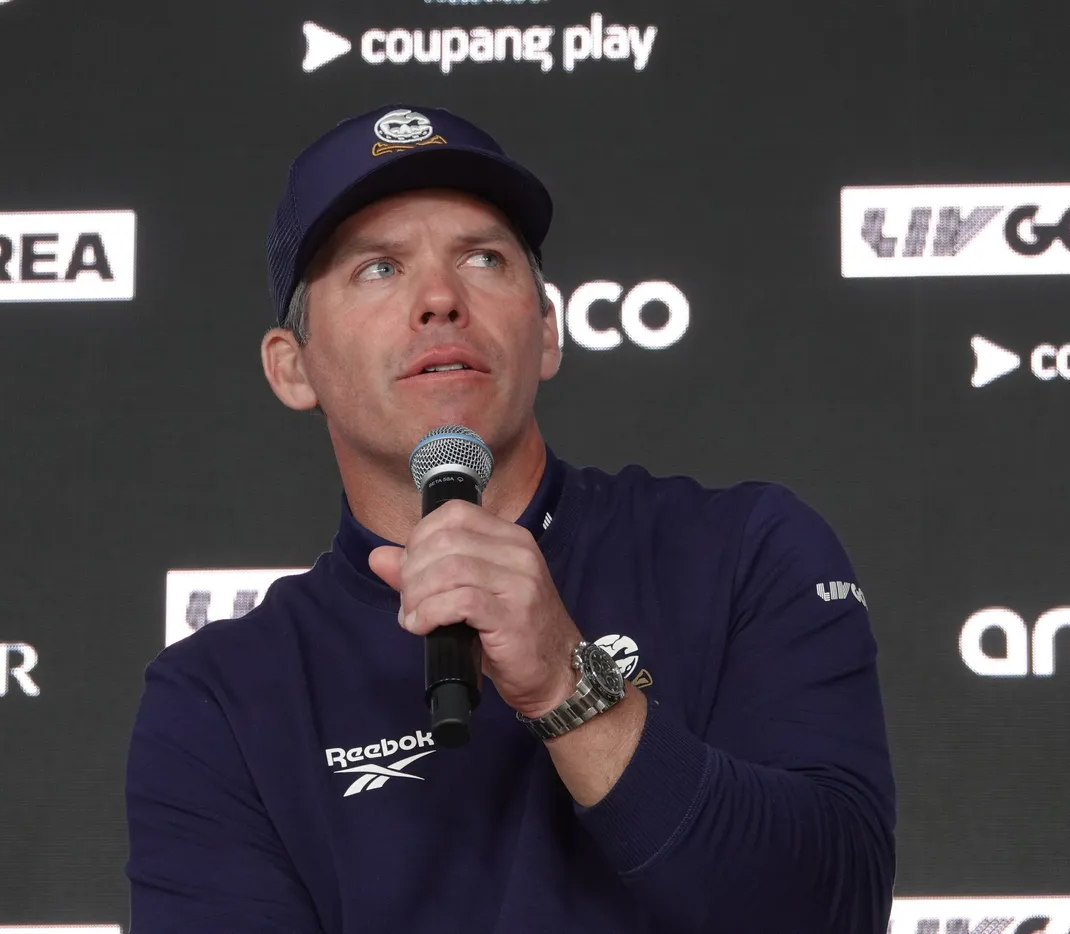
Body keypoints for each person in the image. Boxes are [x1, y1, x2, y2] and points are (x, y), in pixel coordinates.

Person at [124, 104, 896, 933]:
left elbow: (835, 910)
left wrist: (570, 685)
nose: (439, 299)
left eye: (483, 258)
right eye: (378, 268)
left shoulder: (745, 551)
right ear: (292, 369)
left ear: (548, 331)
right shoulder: (220, 697)